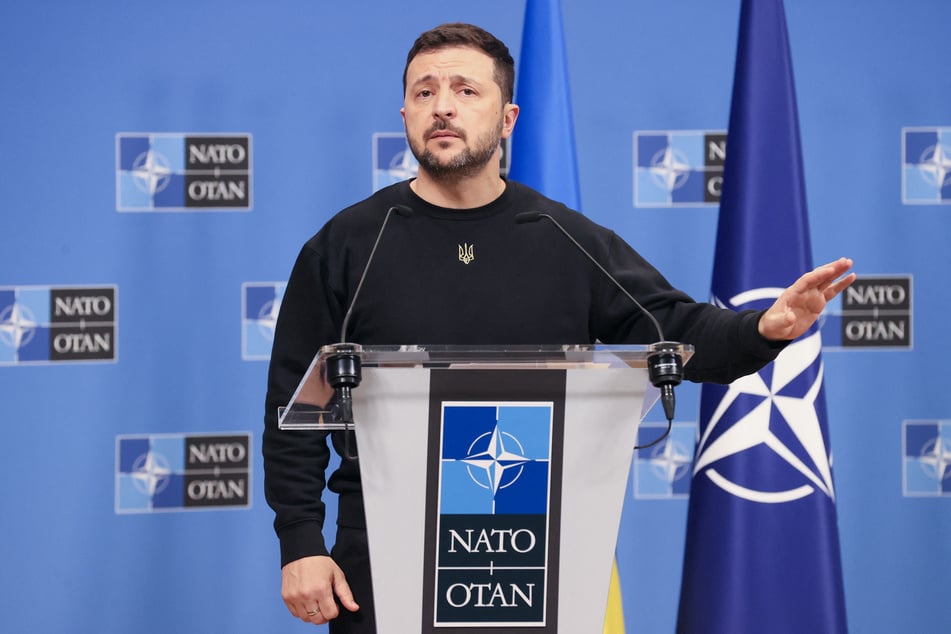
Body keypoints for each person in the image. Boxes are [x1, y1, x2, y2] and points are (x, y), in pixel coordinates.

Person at [262, 22, 855, 633]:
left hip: (532, 542)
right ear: (406, 113)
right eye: (423, 92)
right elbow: (291, 405)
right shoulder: (347, 245)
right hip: (381, 544)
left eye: (465, 90)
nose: (441, 106)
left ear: (508, 117)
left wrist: (765, 327)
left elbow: (675, 328)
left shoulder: (566, 239)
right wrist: (301, 539)